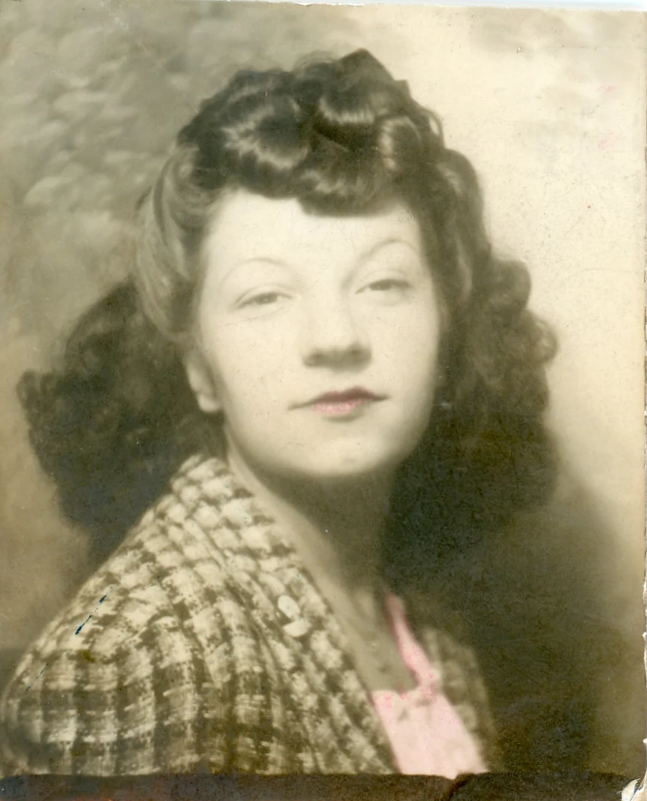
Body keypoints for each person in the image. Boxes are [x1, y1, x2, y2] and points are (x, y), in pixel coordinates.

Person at [0, 49, 557, 776]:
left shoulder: (428, 629)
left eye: (382, 283)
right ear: (198, 366)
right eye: (265, 296)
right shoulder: (131, 656)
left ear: (445, 323)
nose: (335, 338)